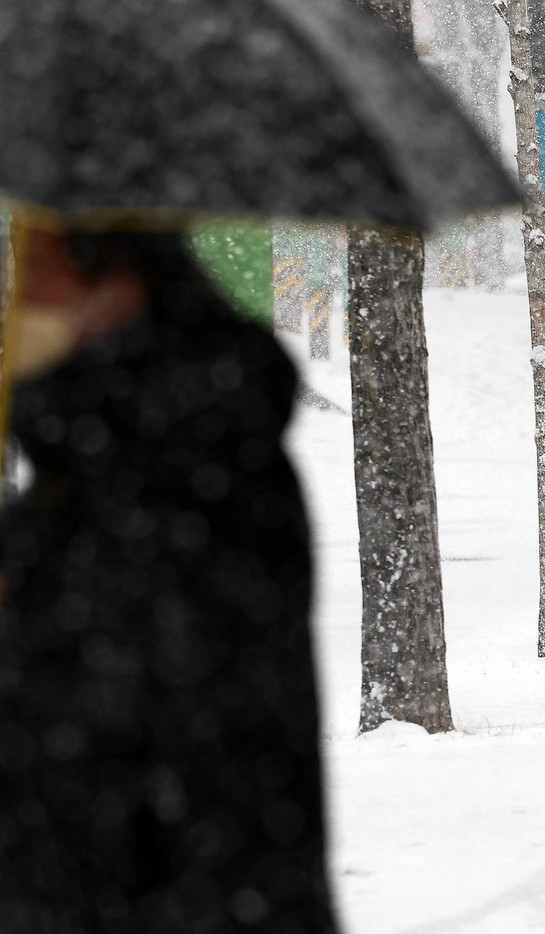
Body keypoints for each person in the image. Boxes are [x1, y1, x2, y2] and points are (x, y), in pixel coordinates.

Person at [0, 229, 340, 932]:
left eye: (39, 270)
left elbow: (141, 711)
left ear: (120, 286)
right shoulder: (90, 463)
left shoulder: (189, 463)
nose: (21, 295)